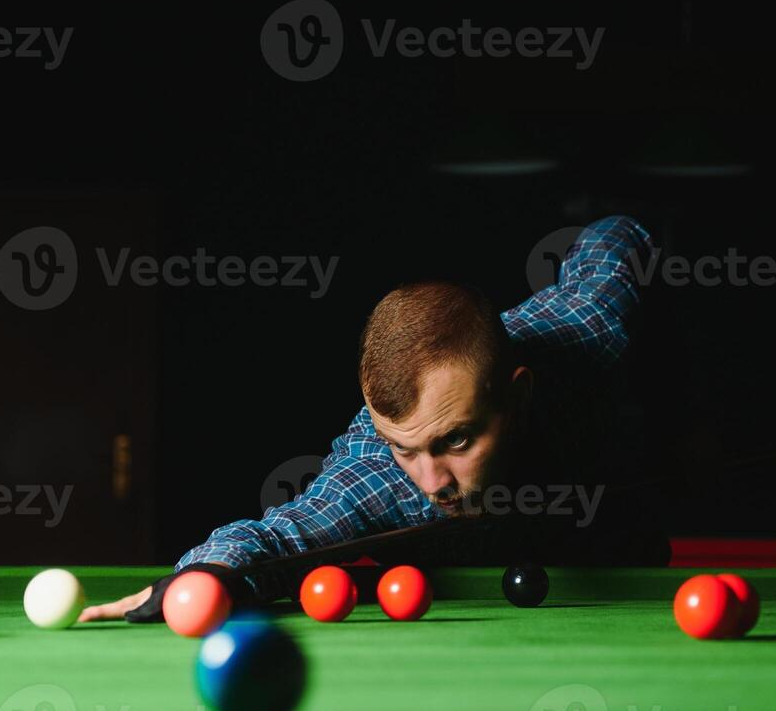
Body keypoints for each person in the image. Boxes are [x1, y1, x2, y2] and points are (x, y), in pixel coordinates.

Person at [79, 215, 659, 623]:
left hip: (625, 561)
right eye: (405, 448)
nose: (432, 483)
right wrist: (204, 578)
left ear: (518, 395)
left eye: (456, 439)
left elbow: (617, 236)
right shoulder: (380, 475)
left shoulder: (584, 335)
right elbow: (282, 535)